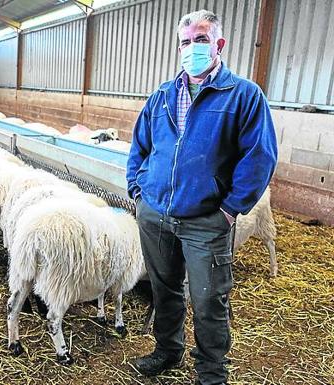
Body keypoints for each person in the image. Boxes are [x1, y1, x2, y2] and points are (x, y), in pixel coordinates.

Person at [126, 9, 278, 385]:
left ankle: (211, 372)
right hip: (156, 214)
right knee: (164, 289)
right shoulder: (162, 94)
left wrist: (229, 209)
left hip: (206, 220)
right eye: (186, 41)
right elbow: (140, 146)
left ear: (219, 44)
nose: (192, 47)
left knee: (210, 300)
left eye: (201, 39)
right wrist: (137, 190)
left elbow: (260, 157)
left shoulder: (242, 95)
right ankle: (167, 350)